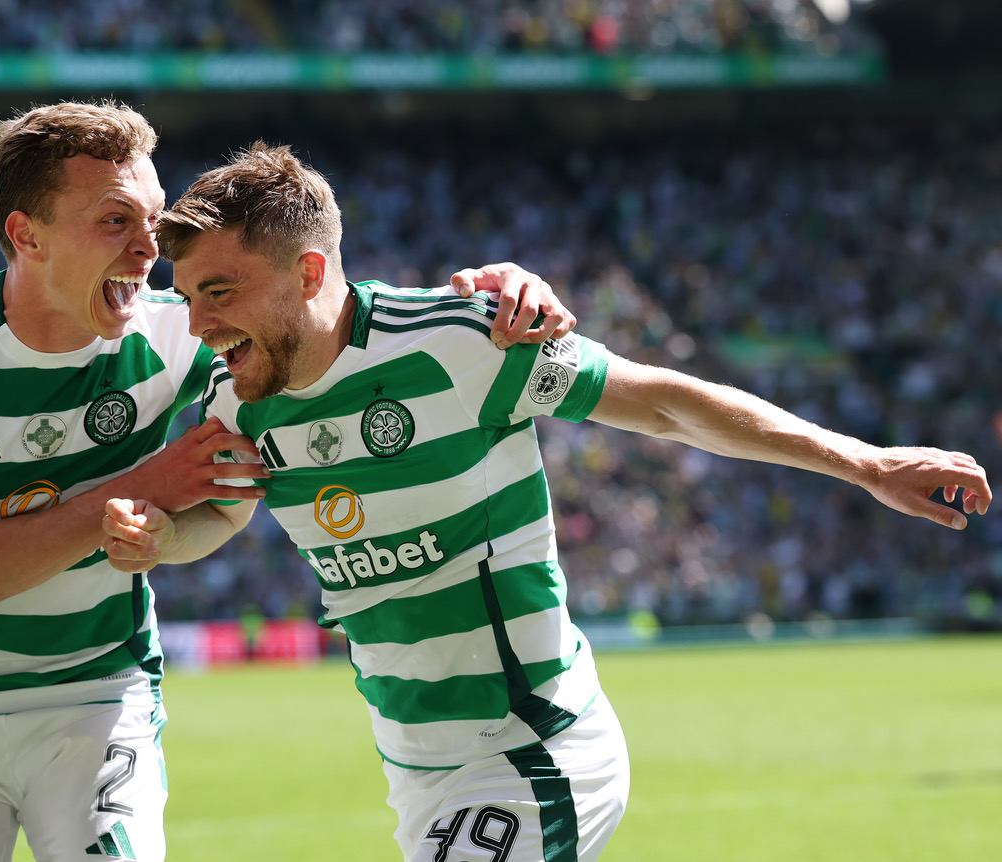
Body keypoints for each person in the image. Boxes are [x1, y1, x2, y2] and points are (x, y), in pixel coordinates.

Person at [101, 142, 992, 862]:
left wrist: (866, 462)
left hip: (534, 747)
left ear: (305, 273)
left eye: (220, 293)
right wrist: (158, 543)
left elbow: (667, 403)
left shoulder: (465, 343)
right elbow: (220, 514)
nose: (201, 323)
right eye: (190, 298)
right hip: (417, 769)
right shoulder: (234, 397)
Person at [0, 101, 580, 862]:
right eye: (115, 222)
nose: (148, 251)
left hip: (99, 702)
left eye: (156, 222)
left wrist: (498, 296)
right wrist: (151, 481)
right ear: (26, 235)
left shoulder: (179, 333)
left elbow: (320, 319)